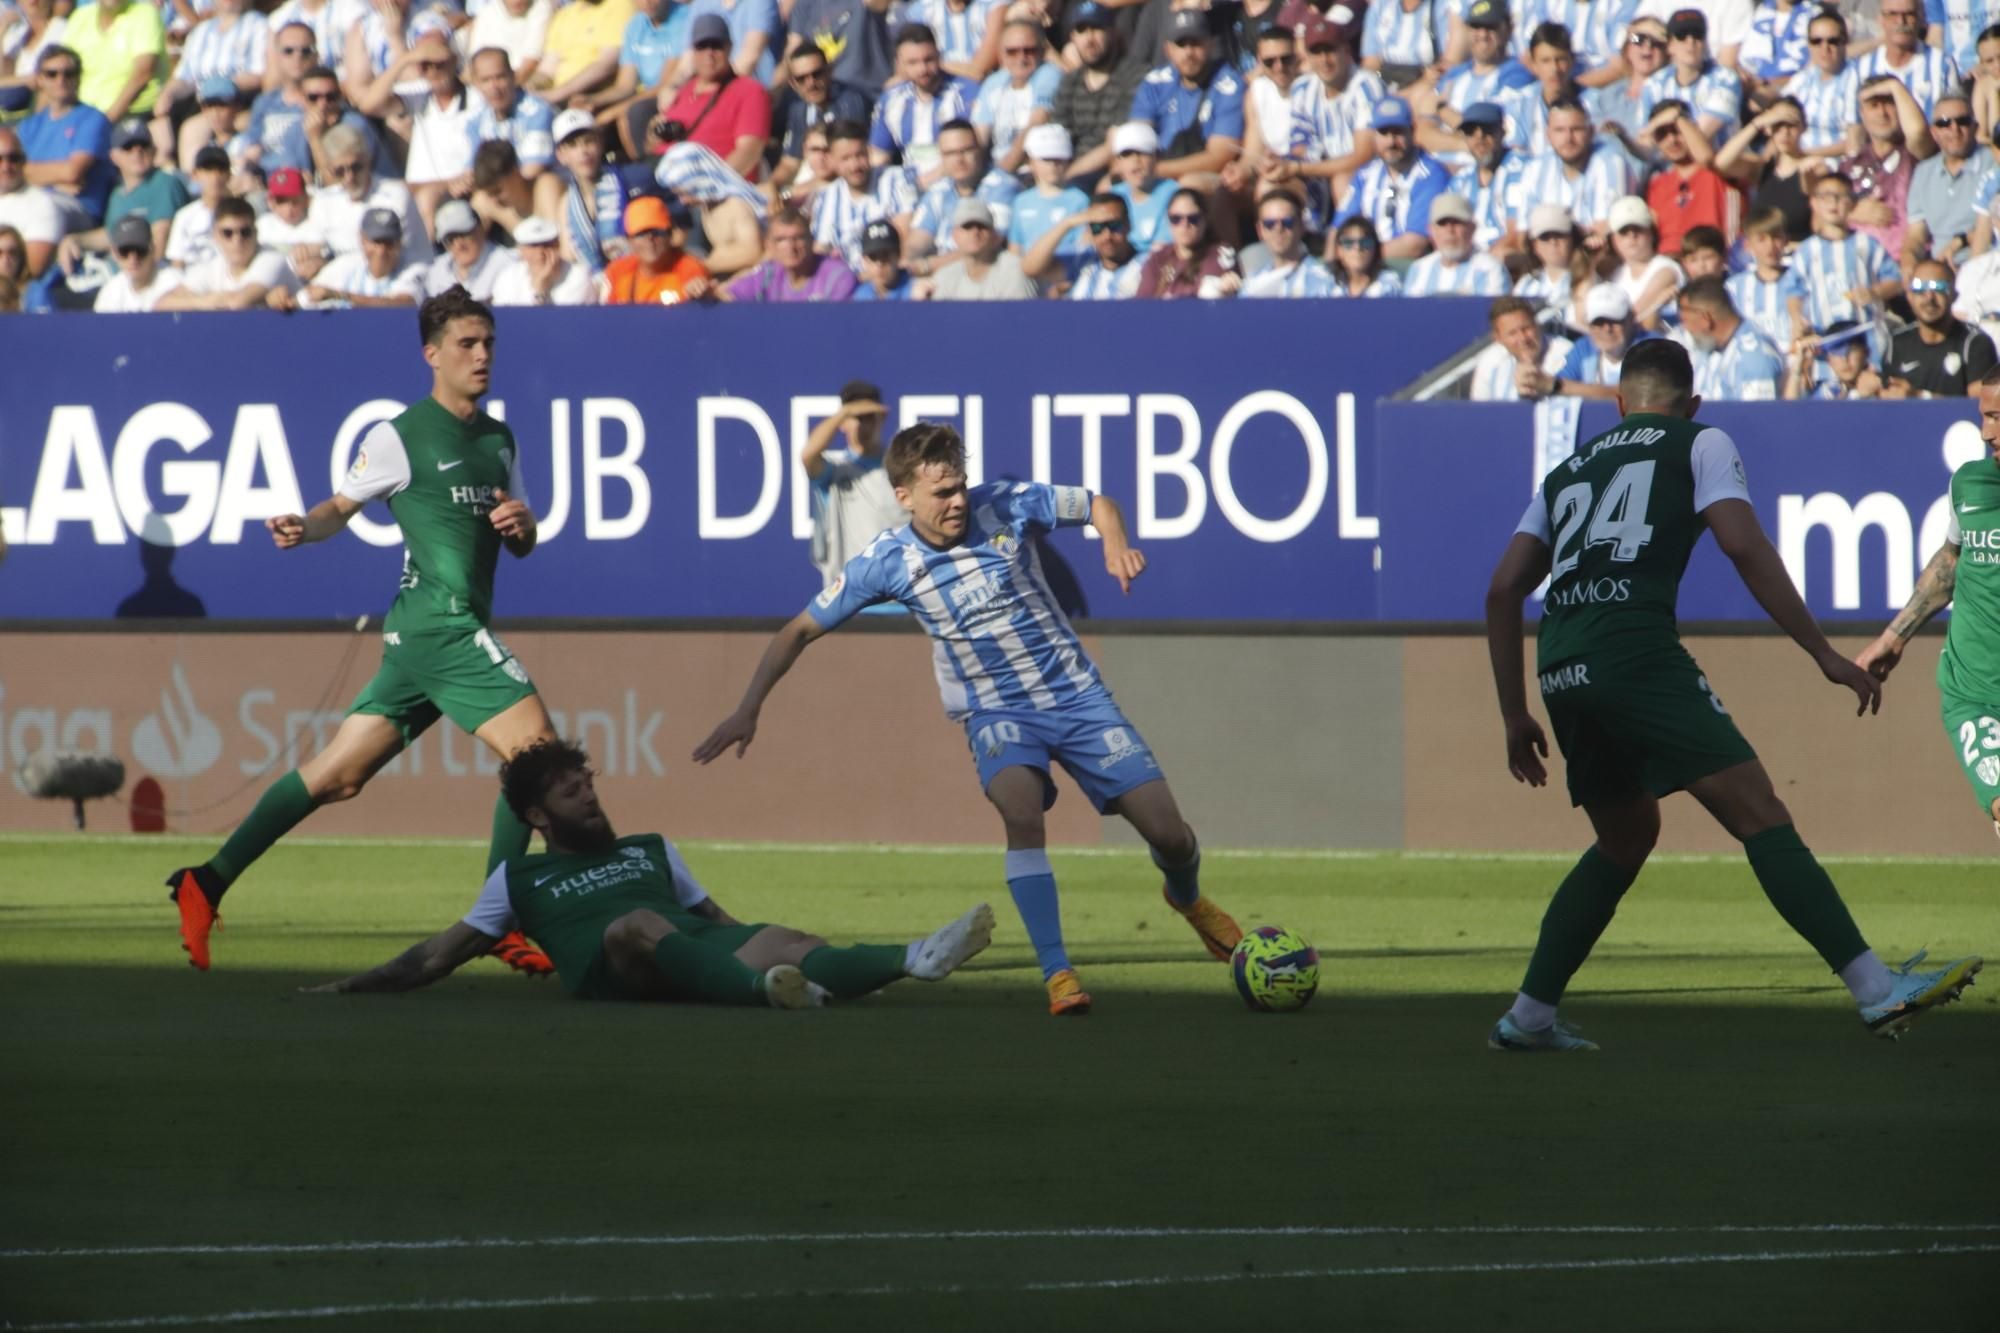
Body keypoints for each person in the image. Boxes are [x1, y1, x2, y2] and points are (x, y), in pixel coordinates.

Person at [1482, 336, 1981, 1051]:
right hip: (1635, 649)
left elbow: (1502, 590)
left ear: (1619, 404)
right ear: (1693, 402)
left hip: (1560, 662)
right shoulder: (1699, 441)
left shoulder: (1564, 473)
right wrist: (1821, 653)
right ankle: (1876, 990)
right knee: (1760, 810)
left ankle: (1528, 1016)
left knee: (1626, 834)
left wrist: (1511, 712)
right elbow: (1744, 545)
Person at [693, 424, 1246, 1017]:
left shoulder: (1007, 503)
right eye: (941, 493)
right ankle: (1058, 973)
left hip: (1078, 700)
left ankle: (1186, 898)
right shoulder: (887, 562)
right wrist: (749, 706)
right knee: (1019, 811)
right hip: (995, 712)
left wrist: (1113, 541)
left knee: (1169, 834)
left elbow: (1097, 504)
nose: (957, 500)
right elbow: (798, 629)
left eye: (959, 486)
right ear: (904, 495)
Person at [167, 287, 563, 976]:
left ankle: (207, 878)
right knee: (538, 756)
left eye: (489, 343)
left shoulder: (499, 440)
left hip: (421, 637)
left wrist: (524, 527)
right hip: (442, 625)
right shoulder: (400, 434)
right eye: (467, 344)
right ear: (431, 354)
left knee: (337, 776)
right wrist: (305, 526)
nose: (482, 355)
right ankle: (499, 918)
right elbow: (340, 508)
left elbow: (522, 541)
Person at [308, 739, 995, 1005]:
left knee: (785, 937)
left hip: (687, 952)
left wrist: (775, 941)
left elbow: (716, 920)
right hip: (617, 970)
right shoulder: (518, 881)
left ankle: (914, 957)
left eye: (588, 782)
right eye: (570, 790)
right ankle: (765, 991)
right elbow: (437, 955)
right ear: (537, 816)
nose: (589, 793)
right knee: (635, 922)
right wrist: (348, 985)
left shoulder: (650, 847)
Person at [1857, 372, 2000, 848]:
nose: (1987, 432)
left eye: (1998, 417)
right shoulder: (1971, 484)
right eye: (1984, 416)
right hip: (1976, 693)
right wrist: (1895, 635)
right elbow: (1951, 559)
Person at [1271, 5, 1381, 232]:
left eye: (1330, 50)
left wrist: (1298, 168)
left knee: (1344, 180)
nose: (1324, 60)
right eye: (1316, 52)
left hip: (1366, 172)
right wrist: (1280, 164)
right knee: (1271, 185)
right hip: (1318, 171)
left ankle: (1350, 249)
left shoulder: (1365, 85)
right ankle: (1294, 251)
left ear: (1346, 50)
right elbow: (1300, 147)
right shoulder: (1302, 88)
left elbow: (1363, 156)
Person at [1784, 171, 1901, 351]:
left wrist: (1874, 292)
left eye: (1840, 197)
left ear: (1852, 203)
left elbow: (1896, 279)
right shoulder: (1806, 250)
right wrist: (1796, 318)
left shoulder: (1867, 244)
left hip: (1868, 341)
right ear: (1813, 203)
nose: (1833, 202)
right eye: (1825, 196)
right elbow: (1794, 291)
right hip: (1824, 346)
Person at [803, 379, 903, 584]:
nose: (863, 425)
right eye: (856, 417)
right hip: (849, 601)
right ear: (842, 423)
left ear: (881, 418)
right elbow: (808, 455)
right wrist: (844, 412)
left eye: (869, 417)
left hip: (901, 599)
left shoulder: (903, 469)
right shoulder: (833, 472)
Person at [1128, 9, 1244, 185]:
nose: (1189, 52)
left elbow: (1219, 157)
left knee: (1190, 184)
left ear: (1211, 44)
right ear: (1168, 49)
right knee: (1108, 185)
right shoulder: (1155, 82)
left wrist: (1154, 170)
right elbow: (1136, 137)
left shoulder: (1229, 85)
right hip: (1154, 170)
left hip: (1207, 177)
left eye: (1196, 43)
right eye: (1181, 44)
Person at [1332, 94, 1449, 260]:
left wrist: (1361, 257)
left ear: (1412, 131)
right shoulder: (1365, 175)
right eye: (1383, 133)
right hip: (1365, 264)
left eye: (1398, 132)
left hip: (1406, 268)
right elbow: (1337, 231)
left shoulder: (1431, 175)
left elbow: (1414, 246)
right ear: (1373, 135)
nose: (1391, 141)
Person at [654, 13, 770, 179]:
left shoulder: (750, 91)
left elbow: (749, 152)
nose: (709, 53)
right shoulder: (683, 91)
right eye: (702, 46)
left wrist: (710, 185)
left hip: (707, 184)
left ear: (729, 47)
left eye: (716, 45)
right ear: (693, 51)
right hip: (663, 173)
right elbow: (656, 144)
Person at [1511, 96, 1635, 243]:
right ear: (1548, 135)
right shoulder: (1535, 169)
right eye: (1559, 130)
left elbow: (1604, 233)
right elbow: (1523, 234)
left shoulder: (1609, 162)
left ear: (1590, 132)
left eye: (1576, 129)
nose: (1568, 138)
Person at [1048, 2, 1142, 186]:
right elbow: (1057, 133)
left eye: (1097, 29)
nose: (1089, 39)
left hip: (1111, 172)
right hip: (1067, 170)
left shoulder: (1133, 75)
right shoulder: (1070, 81)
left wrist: (1067, 177)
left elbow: (1114, 144)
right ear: (1072, 38)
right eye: (1082, 31)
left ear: (1113, 33)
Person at [19, 46, 113, 230]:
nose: (60, 80)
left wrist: (31, 174)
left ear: (78, 78)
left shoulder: (93, 119)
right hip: (33, 200)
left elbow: (72, 172)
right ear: (40, 79)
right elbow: (11, 173)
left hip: (79, 208)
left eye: (68, 73)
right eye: (51, 74)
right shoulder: (29, 126)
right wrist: (57, 181)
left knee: (43, 209)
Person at [905, 116, 1017, 266]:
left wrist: (929, 266)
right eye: (950, 153)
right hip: (939, 278)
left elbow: (987, 246)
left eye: (965, 151)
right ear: (941, 157)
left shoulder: (1003, 186)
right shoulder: (938, 191)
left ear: (979, 150)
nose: (959, 160)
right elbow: (915, 245)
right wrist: (909, 265)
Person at [870, 23, 975, 178]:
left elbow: (975, 153)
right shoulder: (891, 100)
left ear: (939, 56)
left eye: (928, 60)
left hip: (956, 182)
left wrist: (923, 184)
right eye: (913, 62)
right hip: (908, 184)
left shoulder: (965, 93)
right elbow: (878, 157)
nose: (922, 69)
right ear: (899, 63)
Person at [810, 117, 915, 269]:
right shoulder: (827, 197)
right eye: (845, 158)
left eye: (859, 155)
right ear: (831, 159)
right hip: (845, 283)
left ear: (868, 151)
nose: (855, 165)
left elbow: (905, 238)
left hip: (888, 275)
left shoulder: (896, 180)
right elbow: (821, 250)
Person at [766, 43, 868, 200]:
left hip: (848, 181)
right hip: (813, 177)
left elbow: (849, 158)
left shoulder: (850, 101)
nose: (811, 83)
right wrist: (771, 186)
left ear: (829, 71)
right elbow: (790, 163)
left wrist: (805, 187)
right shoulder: (798, 109)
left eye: (817, 74)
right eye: (801, 79)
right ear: (793, 84)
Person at [271, 203, 425, 307]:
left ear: (399, 242)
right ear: (362, 240)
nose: (381, 250)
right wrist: (284, 299)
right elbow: (312, 294)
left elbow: (404, 304)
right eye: (376, 241)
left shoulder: (414, 268)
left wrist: (341, 296)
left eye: (388, 242)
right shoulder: (346, 264)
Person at [156, 194, 294, 308]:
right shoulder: (213, 267)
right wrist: (204, 302)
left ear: (256, 233)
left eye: (245, 232)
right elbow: (161, 304)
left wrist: (211, 300)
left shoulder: (272, 259)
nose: (237, 240)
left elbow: (238, 302)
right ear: (215, 236)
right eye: (228, 233)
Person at [1883, 261, 1998, 397]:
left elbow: (1980, 403)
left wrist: (1918, 396)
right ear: (1909, 296)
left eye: (1939, 288)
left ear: (1954, 295)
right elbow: (1886, 395)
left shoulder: (1975, 343)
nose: (1929, 298)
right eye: (1920, 289)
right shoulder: (1897, 343)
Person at [1906, 94, 1992, 271]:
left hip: (1986, 264)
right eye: (1944, 123)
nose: (1954, 129)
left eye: (1963, 121)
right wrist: (1909, 262)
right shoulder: (1923, 172)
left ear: (1975, 126)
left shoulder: (1993, 164)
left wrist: (1959, 242)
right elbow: (1916, 234)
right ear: (1934, 132)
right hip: (1940, 269)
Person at [654, 139, 766, 276]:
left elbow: (752, 253)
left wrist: (701, 266)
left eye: (684, 193)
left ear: (700, 183)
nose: (682, 201)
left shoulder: (735, 205)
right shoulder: (707, 205)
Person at [1640, 99, 1732, 255]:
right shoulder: (1658, 183)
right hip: (1670, 260)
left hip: (1712, 258)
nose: (1672, 140)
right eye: (1662, 134)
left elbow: (1705, 158)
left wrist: (1678, 117)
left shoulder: (1720, 167)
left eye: (1677, 131)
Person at [1715, 97, 1812, 242]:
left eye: (1791, 125)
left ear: (1803, 128)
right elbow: (1722, 163)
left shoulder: (1813, 167)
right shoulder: (1761, 168)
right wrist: (1757, 123)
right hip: (1762, 251)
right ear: (1768, 128)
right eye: (1778, 124)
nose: (1785, 132)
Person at [1639, 8, 1742, 143]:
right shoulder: (1654, 85)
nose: (1691, 42)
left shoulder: (1726, 79)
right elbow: (1645, 144)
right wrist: (1622, 136)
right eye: (1682, 36)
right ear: (1670, 45)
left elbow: (1700, 138)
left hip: (1717, 160)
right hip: (1668, 162)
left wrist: (1664, 120)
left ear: (1705, 42)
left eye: (1697, 35)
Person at [971, 19, 1057, 175]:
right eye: (1012, 51)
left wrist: (1000, 176)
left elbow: (1036, 124)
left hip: (1032, 172)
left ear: (1042, 51)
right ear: (1000, 54)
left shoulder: (1050, 75)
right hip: (996, 168)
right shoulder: (994, 83)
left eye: (1029, 50)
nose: (1021, 58)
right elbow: (979, 137)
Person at [1678, 274, 1784, 400]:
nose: (1685, 328)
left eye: (1685, 320)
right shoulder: (1709, 349)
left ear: (1705, 319)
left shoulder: (1754, 359)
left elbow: (1756, 417)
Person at [716, 205, 856, 300]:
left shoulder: (837, 276)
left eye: (798, 238)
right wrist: (704, 292)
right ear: (768, 245)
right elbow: (729, 298)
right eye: (781, 240)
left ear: (811, 241)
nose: (790, 247)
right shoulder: (767, 275)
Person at [553, 109, 631, 273]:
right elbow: (568, 256)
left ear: (600, 144)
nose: (583, 152)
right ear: (561, 155)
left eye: (588, 142)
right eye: (573, 146)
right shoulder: (566, 202)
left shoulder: (625, 181)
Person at [1027, 190, 1140, 298]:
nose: (1107, 235)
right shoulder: (1082, 261)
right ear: (1089, 230)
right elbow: (1030, 268)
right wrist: (1068, 223)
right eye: (1097, 227)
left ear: (1128, 225)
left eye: (1115, 225)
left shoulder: (1146, 265)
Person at [599, 193, 709, 303]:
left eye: (657, 232)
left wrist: (697, 292)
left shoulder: (689, 268)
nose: (650, 238)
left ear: (670, 235)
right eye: (641, 233)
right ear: (629, 240)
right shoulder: (617, 271)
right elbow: (606, 316)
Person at [1447, 100, 1525, 253]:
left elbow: (1516, 235)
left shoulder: (1520, 170)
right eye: (1471, 131)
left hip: (1506, 261)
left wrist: (1481, 264)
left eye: (1487, 129)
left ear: (1502, 131)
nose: (1479, 138)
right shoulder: (1461, 180)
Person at [1135, 185, 1238, 298]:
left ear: (1205, 219)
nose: (1184, 225)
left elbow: (1208, 297)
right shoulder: (1158, 259)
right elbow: (1143, 305)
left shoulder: (1221, 254)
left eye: (1193, 219)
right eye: (1176, 219)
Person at [1857, 0, 1957, 116]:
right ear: (1880, 19)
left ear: (1921, 18)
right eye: (1892, 14)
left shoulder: (1942, 65)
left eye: (1909, 14)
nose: (1901, 21)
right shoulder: (1863, 67)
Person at [1470, 293, 1574, 400]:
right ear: (1498, 338)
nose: (1523, 339)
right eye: (1512, 333)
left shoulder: (1566, 353)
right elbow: (1479, 412)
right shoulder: (1489, 362)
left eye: (1526, 328)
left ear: (1537, 325)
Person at [1782, 10, 1859, 154]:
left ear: (1845, 42)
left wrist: (1804, 155)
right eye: (1816, 41)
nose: (1825, 48)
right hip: (1798, 160)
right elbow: (1779, 114)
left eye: (1833, 41)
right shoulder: (1803, 79)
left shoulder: (1855, 78)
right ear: (1809, 44)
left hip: (1836, 166)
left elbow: (1854, 142)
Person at [926, 194, 1033, 297]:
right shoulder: (945, 276)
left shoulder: (1014, 270)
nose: (975, 233)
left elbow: (1021, 314)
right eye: (967, 227)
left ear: (994, 235)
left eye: (982, 226)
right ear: (955, 236)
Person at [1403, 190, 1508, 295]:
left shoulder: (1489, 269)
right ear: (1431, 230)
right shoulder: (1419, 270)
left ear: (1472, 228)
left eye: (1457, 222)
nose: (1450, 230)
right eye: (1442, 223)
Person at [1239, 188, 1334, 297]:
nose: (1278, 229)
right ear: (1260, 231)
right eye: (1269, 224)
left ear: (1302, 226)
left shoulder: (1325, 278)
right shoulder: (1253, 284)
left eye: (1287, 222)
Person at [423, 197, 522, 299]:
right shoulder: (436, 270)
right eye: (450, 239)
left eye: (463, 234)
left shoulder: (508, 265)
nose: (458, 245)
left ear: (480, 229)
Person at [491, 214, 598, 304]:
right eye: (533, 246)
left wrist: (541, 289)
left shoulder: (577, 276)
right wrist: (539, 288)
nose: (540, 252)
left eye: (547, 245)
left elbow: (562, 323)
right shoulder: (507, 278)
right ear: (521, 250)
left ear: (557, 245)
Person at [1726, 204, 1792, 349]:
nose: (1770, 246)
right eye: (1762, 239)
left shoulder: (1800, 281)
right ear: (1748, 245)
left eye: (1776, 238)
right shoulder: (1735, 287)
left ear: (1786, 240)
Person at [92, 210, 183, 309]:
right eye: (124, 251)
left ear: (152, 249)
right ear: (114, 254)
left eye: (140, 250)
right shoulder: (110, 292)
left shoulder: (175, 283)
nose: (133, 259)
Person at [1514, 201, 1583, 319]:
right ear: (1534, 245)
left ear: (1572, 239)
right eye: (1545, 237)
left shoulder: (1585, 280)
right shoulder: (1525, 285)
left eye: (1559, 235)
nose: (1553, 242)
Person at [1787, 318, 1884, 398]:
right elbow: (1790, 414)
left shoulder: (1884, 385)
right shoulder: (1827, 391)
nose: (1844, 360)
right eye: (1837, 353)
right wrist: (1798, 366)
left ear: (1866, 353)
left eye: (1852, 351)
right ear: (1829, 360)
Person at [1328, 214, 1401, 297]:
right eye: (1348, 243)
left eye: (1365, 242)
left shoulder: (1388, 283)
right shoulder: (1329, 284)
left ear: (1375, 249)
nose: (1357, 248)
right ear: (1338, 251)